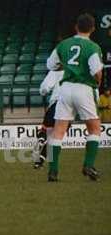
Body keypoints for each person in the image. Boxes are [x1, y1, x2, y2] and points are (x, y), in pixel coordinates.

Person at [46, 13, 103, 182]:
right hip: (84, 88)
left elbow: (50, 65)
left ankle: (53, 171)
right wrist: (98, 83)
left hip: (65, 88)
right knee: (94, 128)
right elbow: (97, 72)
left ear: (76, 27)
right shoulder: (93, 47)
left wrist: (65, 65)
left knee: (58, 131)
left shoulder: (64, 44)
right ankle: (88, 165)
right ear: (92, 29)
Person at [32, 70, 64, 169]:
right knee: (56, 139)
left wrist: (43, 91)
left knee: (46, 130)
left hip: (55, 104)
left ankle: (41, 138)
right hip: (69, 107)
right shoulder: (80, 69)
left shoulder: (57, 70)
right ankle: (42, 162)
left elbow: (45, 88)